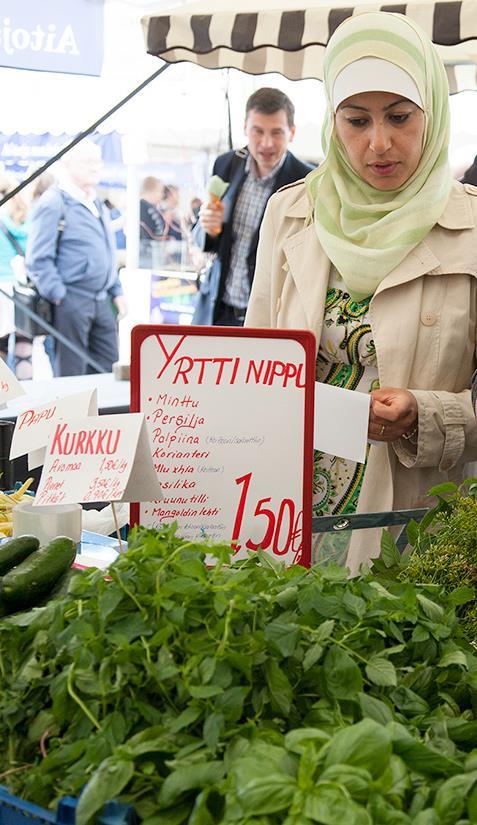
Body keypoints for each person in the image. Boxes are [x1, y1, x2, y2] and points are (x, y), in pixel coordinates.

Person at [245, 11, 477, 574]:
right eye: (356, 120)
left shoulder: (472, 228)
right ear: (331, 121)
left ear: (433, 113)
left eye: (400, 117)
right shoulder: (291, 213)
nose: (379, 143)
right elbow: (251, 363)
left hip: (418, 519)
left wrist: (426, 413)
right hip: (289, 509)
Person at [193, 87, 314, 326]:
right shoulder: (226, 164)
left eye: (277, 132)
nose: (266, 143)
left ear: (291, 132)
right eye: (258, 131)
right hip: (218, 310)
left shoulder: (307, 181)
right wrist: (207, 226)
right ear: (245, 129)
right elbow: (205, 239)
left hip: (268, 316)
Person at [26, 139, 126, 377]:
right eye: (87, 161)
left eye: (97, 161)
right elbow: (37, 258)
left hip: (101, 301)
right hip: (72, 300)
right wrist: (60, 295)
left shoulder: (95, 202)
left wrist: (117, 291)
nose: (95, 167)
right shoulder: (54, 202)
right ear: (67, 163)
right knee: (72, 373)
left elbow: (107, 250)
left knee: (107, 370)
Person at [0, 173, 33, 378]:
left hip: (1, 290)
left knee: (0, 351)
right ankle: (27, 401)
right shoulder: (25, 219)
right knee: (24, 351)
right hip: (22, 292)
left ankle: (3, 403)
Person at [139, 175, 165, 267]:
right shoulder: (140, 208)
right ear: (152, 190)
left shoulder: (153, 208)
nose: (162, 195)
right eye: (160, 191)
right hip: (145, 257)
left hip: (154, 256)